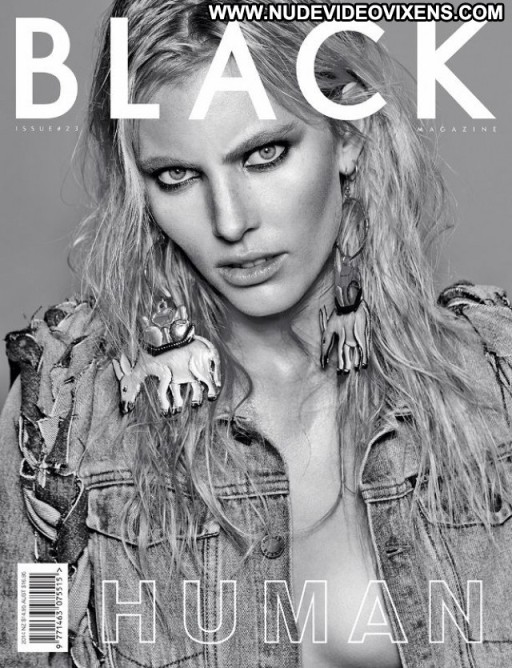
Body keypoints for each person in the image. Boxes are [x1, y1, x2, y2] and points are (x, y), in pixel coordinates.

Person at [1, 0, 512, 666]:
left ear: (349, 136)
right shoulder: (66, 411)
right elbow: (28, 647)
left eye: (264, 154)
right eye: (177, 175)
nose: (230, 221)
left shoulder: (495, 383)